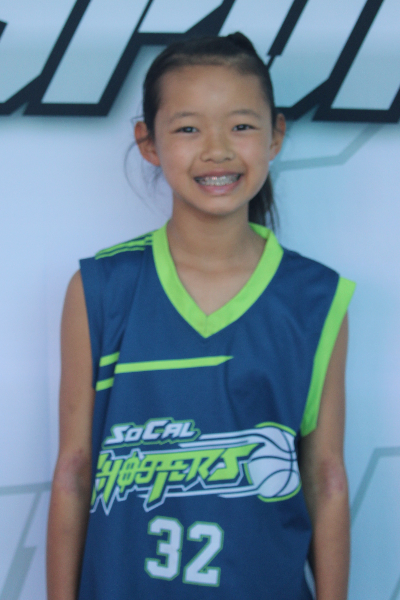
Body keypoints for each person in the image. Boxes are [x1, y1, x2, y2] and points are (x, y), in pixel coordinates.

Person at [47, 32, 354, 600]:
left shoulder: (315, 297)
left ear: (275, 135)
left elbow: (326, 477)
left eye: (241, 126)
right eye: (188, 128)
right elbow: (74, 469)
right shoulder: (101, 288)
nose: (217, 150)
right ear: (148, 142)